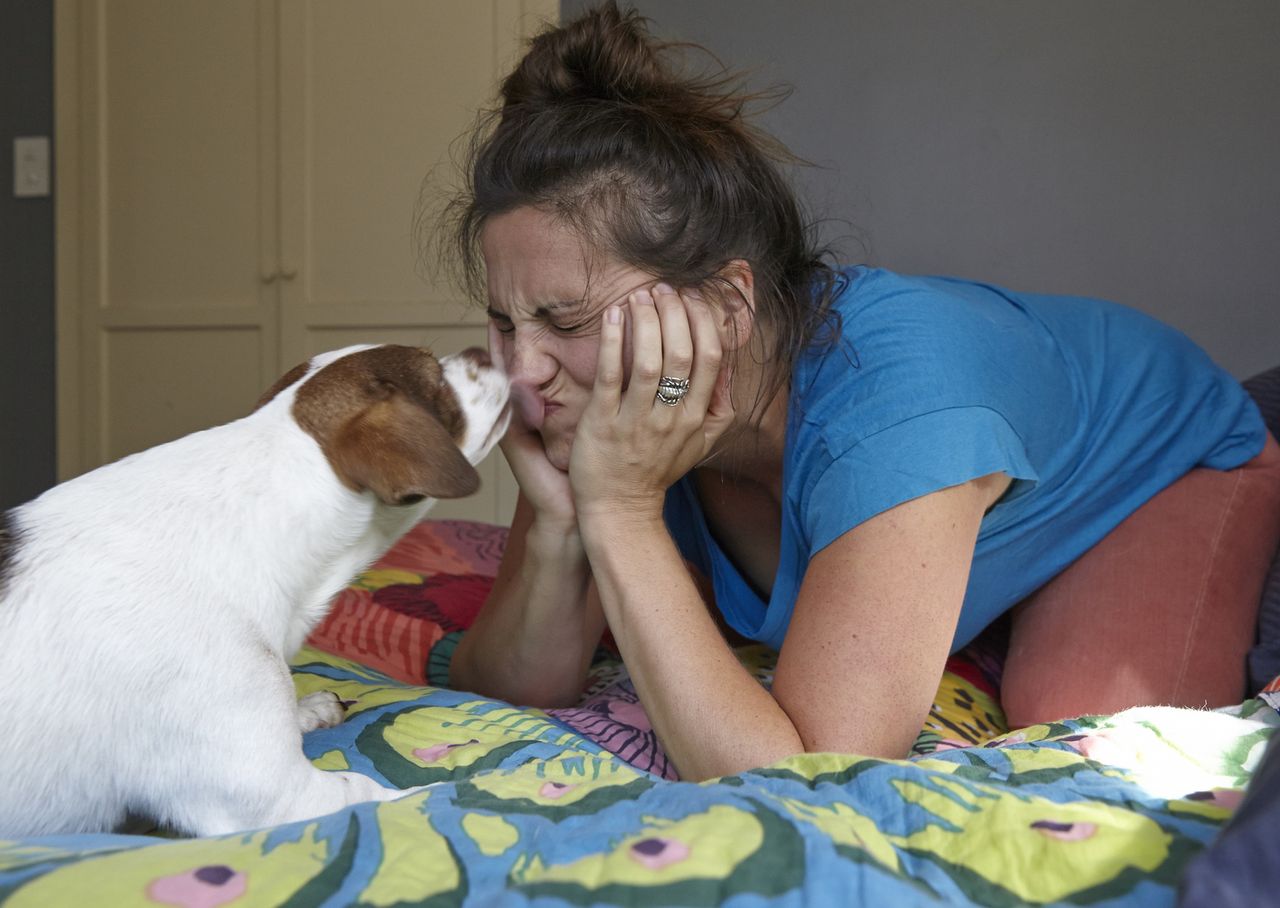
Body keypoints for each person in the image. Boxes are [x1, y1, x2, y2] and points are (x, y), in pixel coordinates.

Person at [441, 2, 1280, 780]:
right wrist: (561, 519)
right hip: (975, 427)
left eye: (567, 318)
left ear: (727, 306)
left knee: (1078, 736)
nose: (523, 370)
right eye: (507, 322)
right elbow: (513, 686)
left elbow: (805, 776)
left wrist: (621, 512)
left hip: (1160, 455)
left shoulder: (897, 407)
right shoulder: (618, 405)